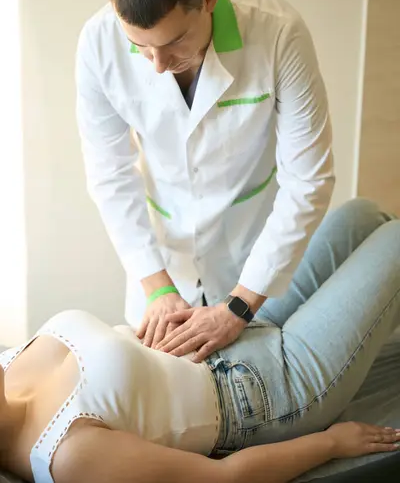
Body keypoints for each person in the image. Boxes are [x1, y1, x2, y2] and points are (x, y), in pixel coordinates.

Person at [0, 199, 399, 483]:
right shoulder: (68, 457)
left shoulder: (7, 365)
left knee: (359, 216)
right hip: (266, 392)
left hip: (220, 330)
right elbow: (223, 476)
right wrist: (331, 444)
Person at [76, 0, 335, 358]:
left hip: (249, 260)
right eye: (139, 46)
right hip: (160, 264)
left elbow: (309, 180)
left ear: (209, 0)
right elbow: (109, 173)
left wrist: (240, 304)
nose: (157, 66)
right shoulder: (98, 43)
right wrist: (157, 288)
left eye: (174, 42)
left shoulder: (278, 34)